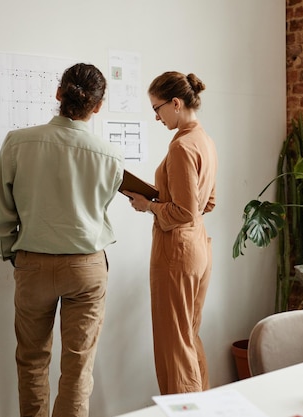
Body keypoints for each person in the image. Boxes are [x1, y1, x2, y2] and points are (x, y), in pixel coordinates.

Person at [0, 63, 124, 417]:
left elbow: (3, 208)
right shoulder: (110, 155)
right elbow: (100, 207)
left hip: (32, 262)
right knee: (78, 368)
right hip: (87, 267)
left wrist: (12, 252)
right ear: (97, 106)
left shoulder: (17, 142)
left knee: (32, 360)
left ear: (58, 94)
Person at [123, 71, 217, 394]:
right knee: (188, 337)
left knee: (173, 346)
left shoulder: (181, 147)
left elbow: (184, 211)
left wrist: (149, 206)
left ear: (176, 104)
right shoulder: (205, 140)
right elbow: (208, 203)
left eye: (157, 108)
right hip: (198, 249)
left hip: (176, 253)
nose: (156, 116)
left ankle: (183, 411)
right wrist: (163, 199)